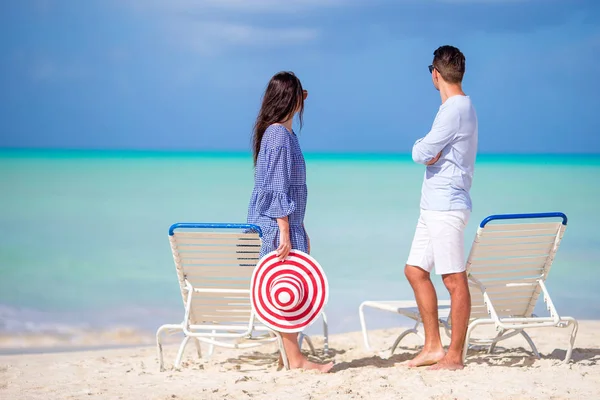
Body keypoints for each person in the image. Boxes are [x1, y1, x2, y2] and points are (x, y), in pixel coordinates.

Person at [246, 71, 334, 373]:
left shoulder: (281, 134)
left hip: (284, 222)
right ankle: (296, 360)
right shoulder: (279, 135)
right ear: (292, 99)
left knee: (287, 288)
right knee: (286, 291)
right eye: (301, 95)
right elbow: (276, 186)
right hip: (276, 225)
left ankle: (291, 357)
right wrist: (285, 229)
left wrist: (299, 227)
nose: (304, 101)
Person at [404, 45, 478, 370]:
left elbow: (421, 153)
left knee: (453, 279)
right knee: (415, 271)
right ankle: (433, 346)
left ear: (435, 74)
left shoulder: (453, 110)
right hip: (433, 206)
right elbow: (430, 151)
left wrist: (424, 148)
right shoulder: (458, 107)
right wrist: (430, 149)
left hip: (446, 206)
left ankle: (455, 356)